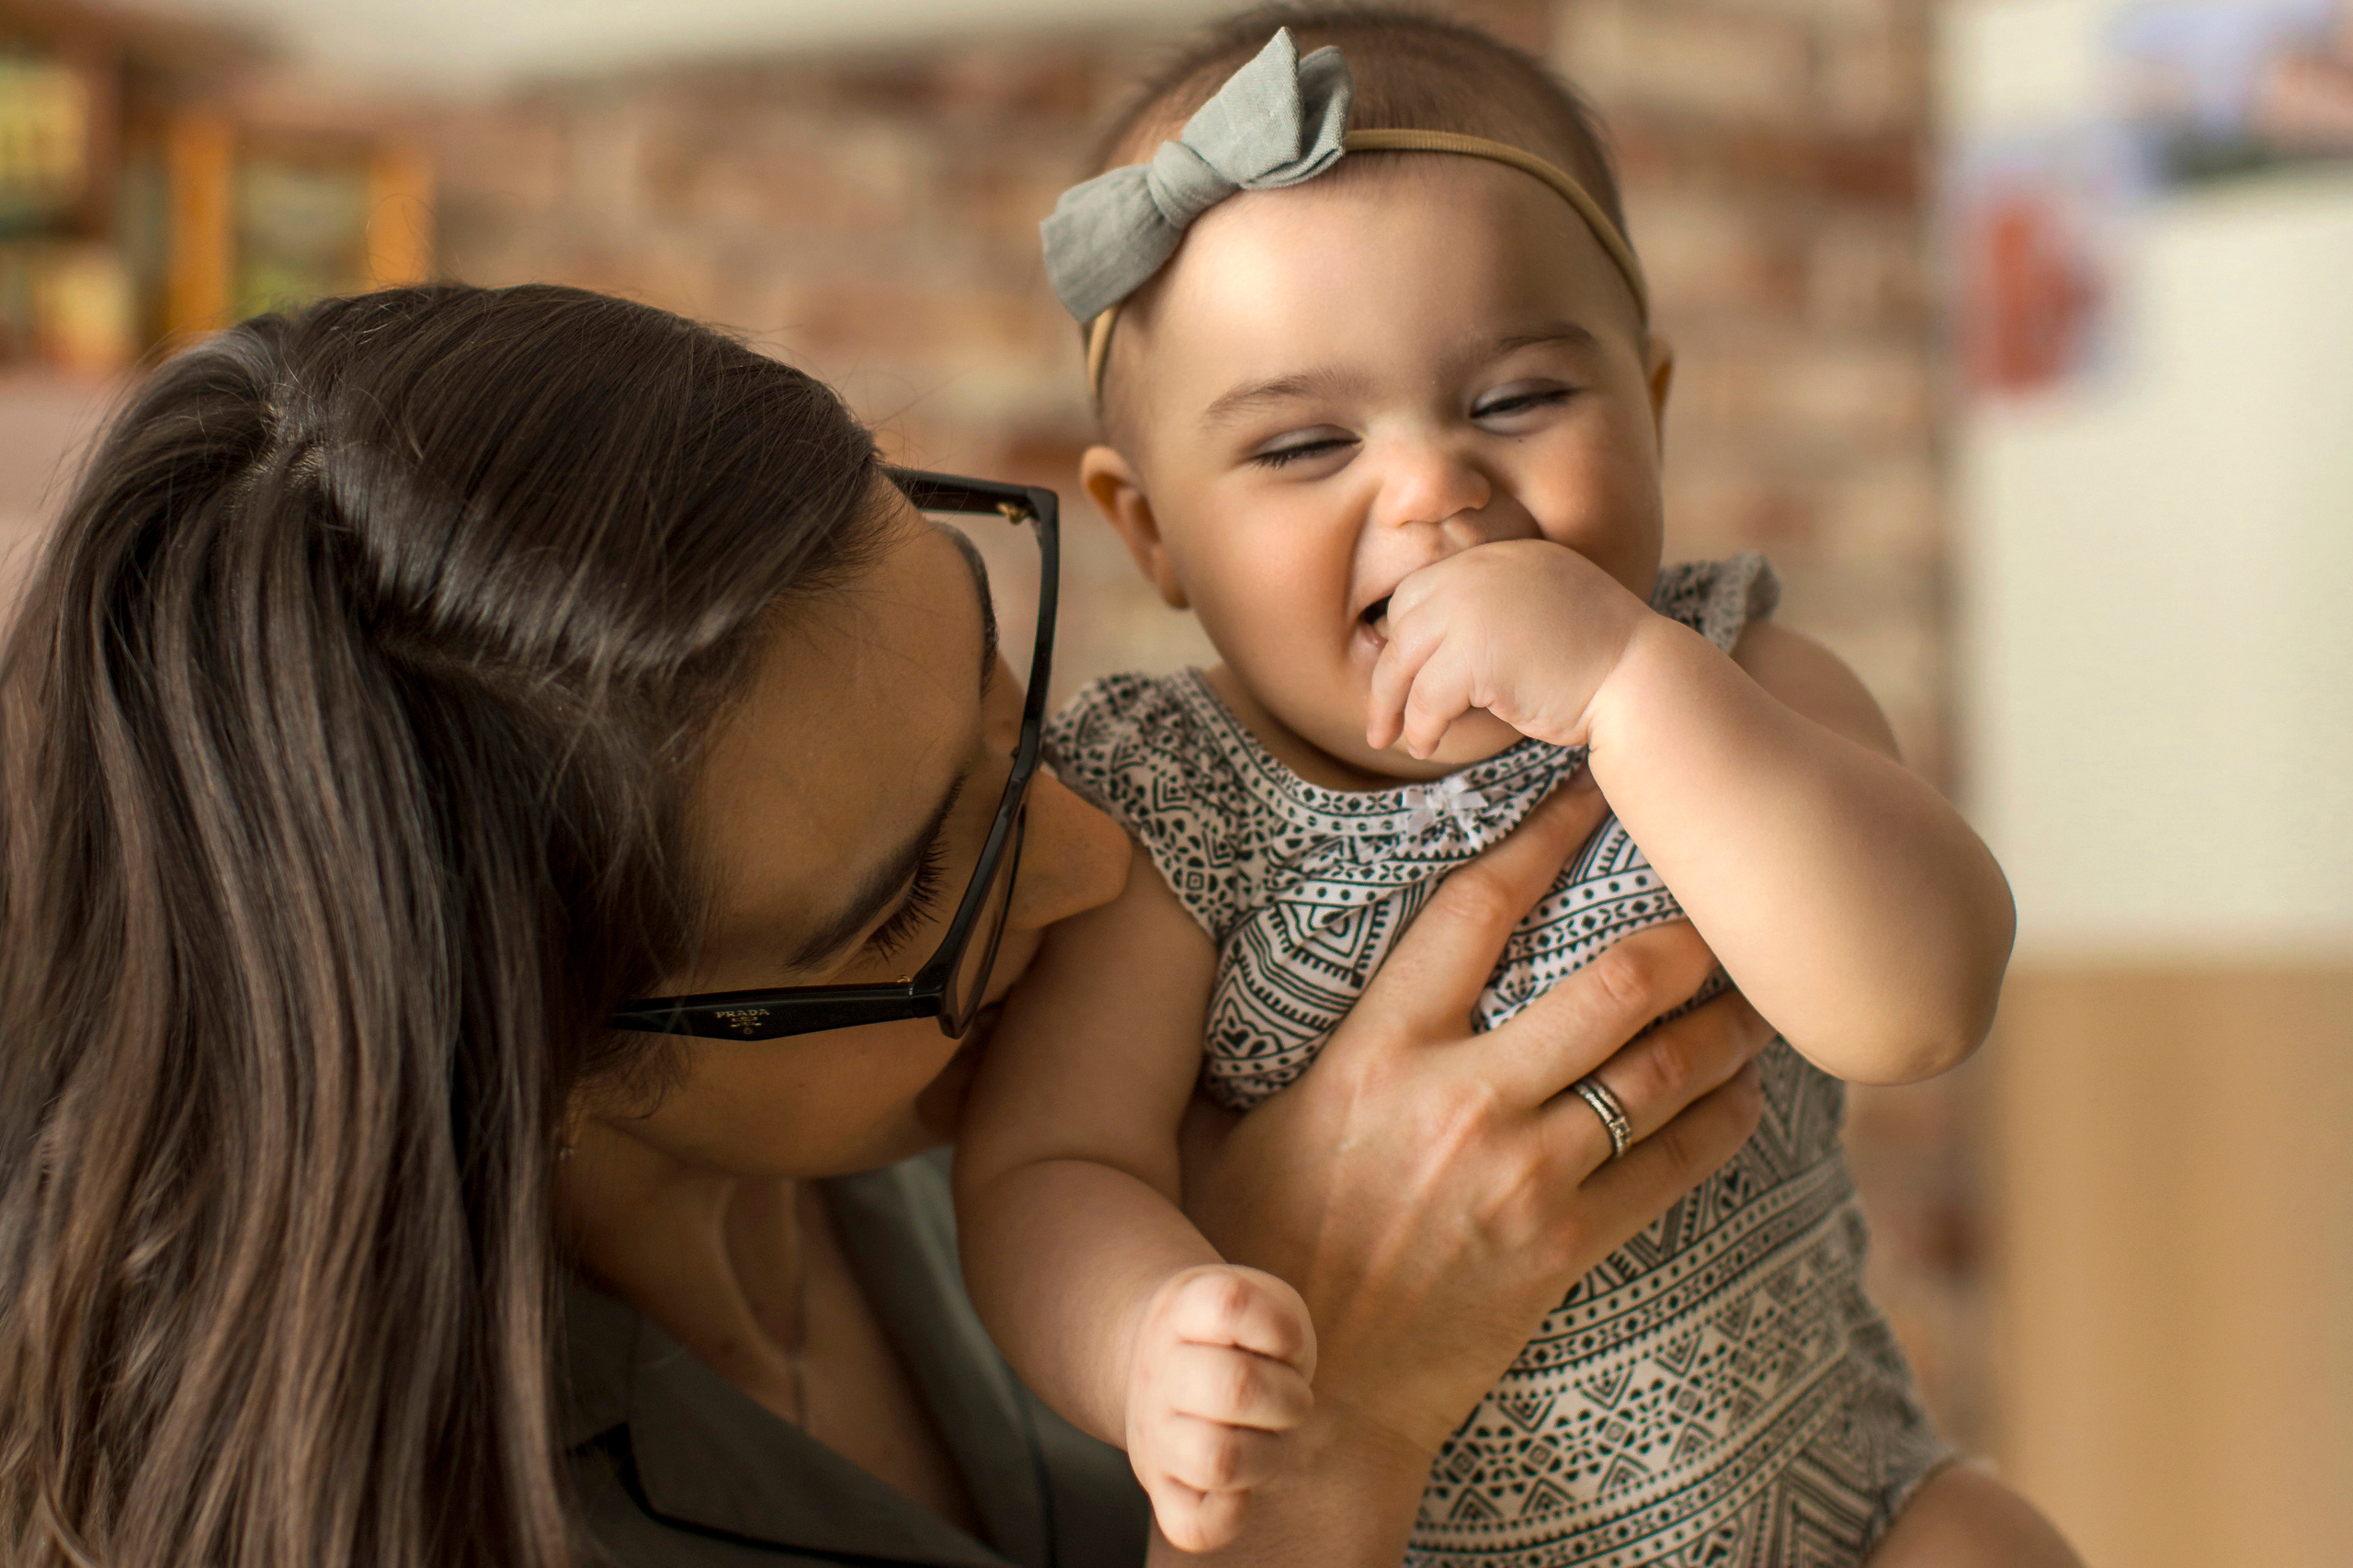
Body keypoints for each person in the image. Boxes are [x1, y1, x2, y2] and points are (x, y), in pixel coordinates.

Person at [0, 280, 1777, 1568]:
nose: (1090, 861)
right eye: (916, 895)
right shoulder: (414, 1511)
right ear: (536, 1062)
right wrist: (1332, 1442)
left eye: (1005, 696)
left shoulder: (1083, 1042)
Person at [954, 12, 2082, 1568]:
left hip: (1840, 1505)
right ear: (1151, 533)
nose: (1432, 488)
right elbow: (1047, 1168)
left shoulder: (1738, 671)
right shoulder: (1164, 811)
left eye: (1512, 403)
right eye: (1301, 443)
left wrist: (1628, 684)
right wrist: (1150, 1333)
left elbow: (1919, 1001)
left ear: (1653, 401)